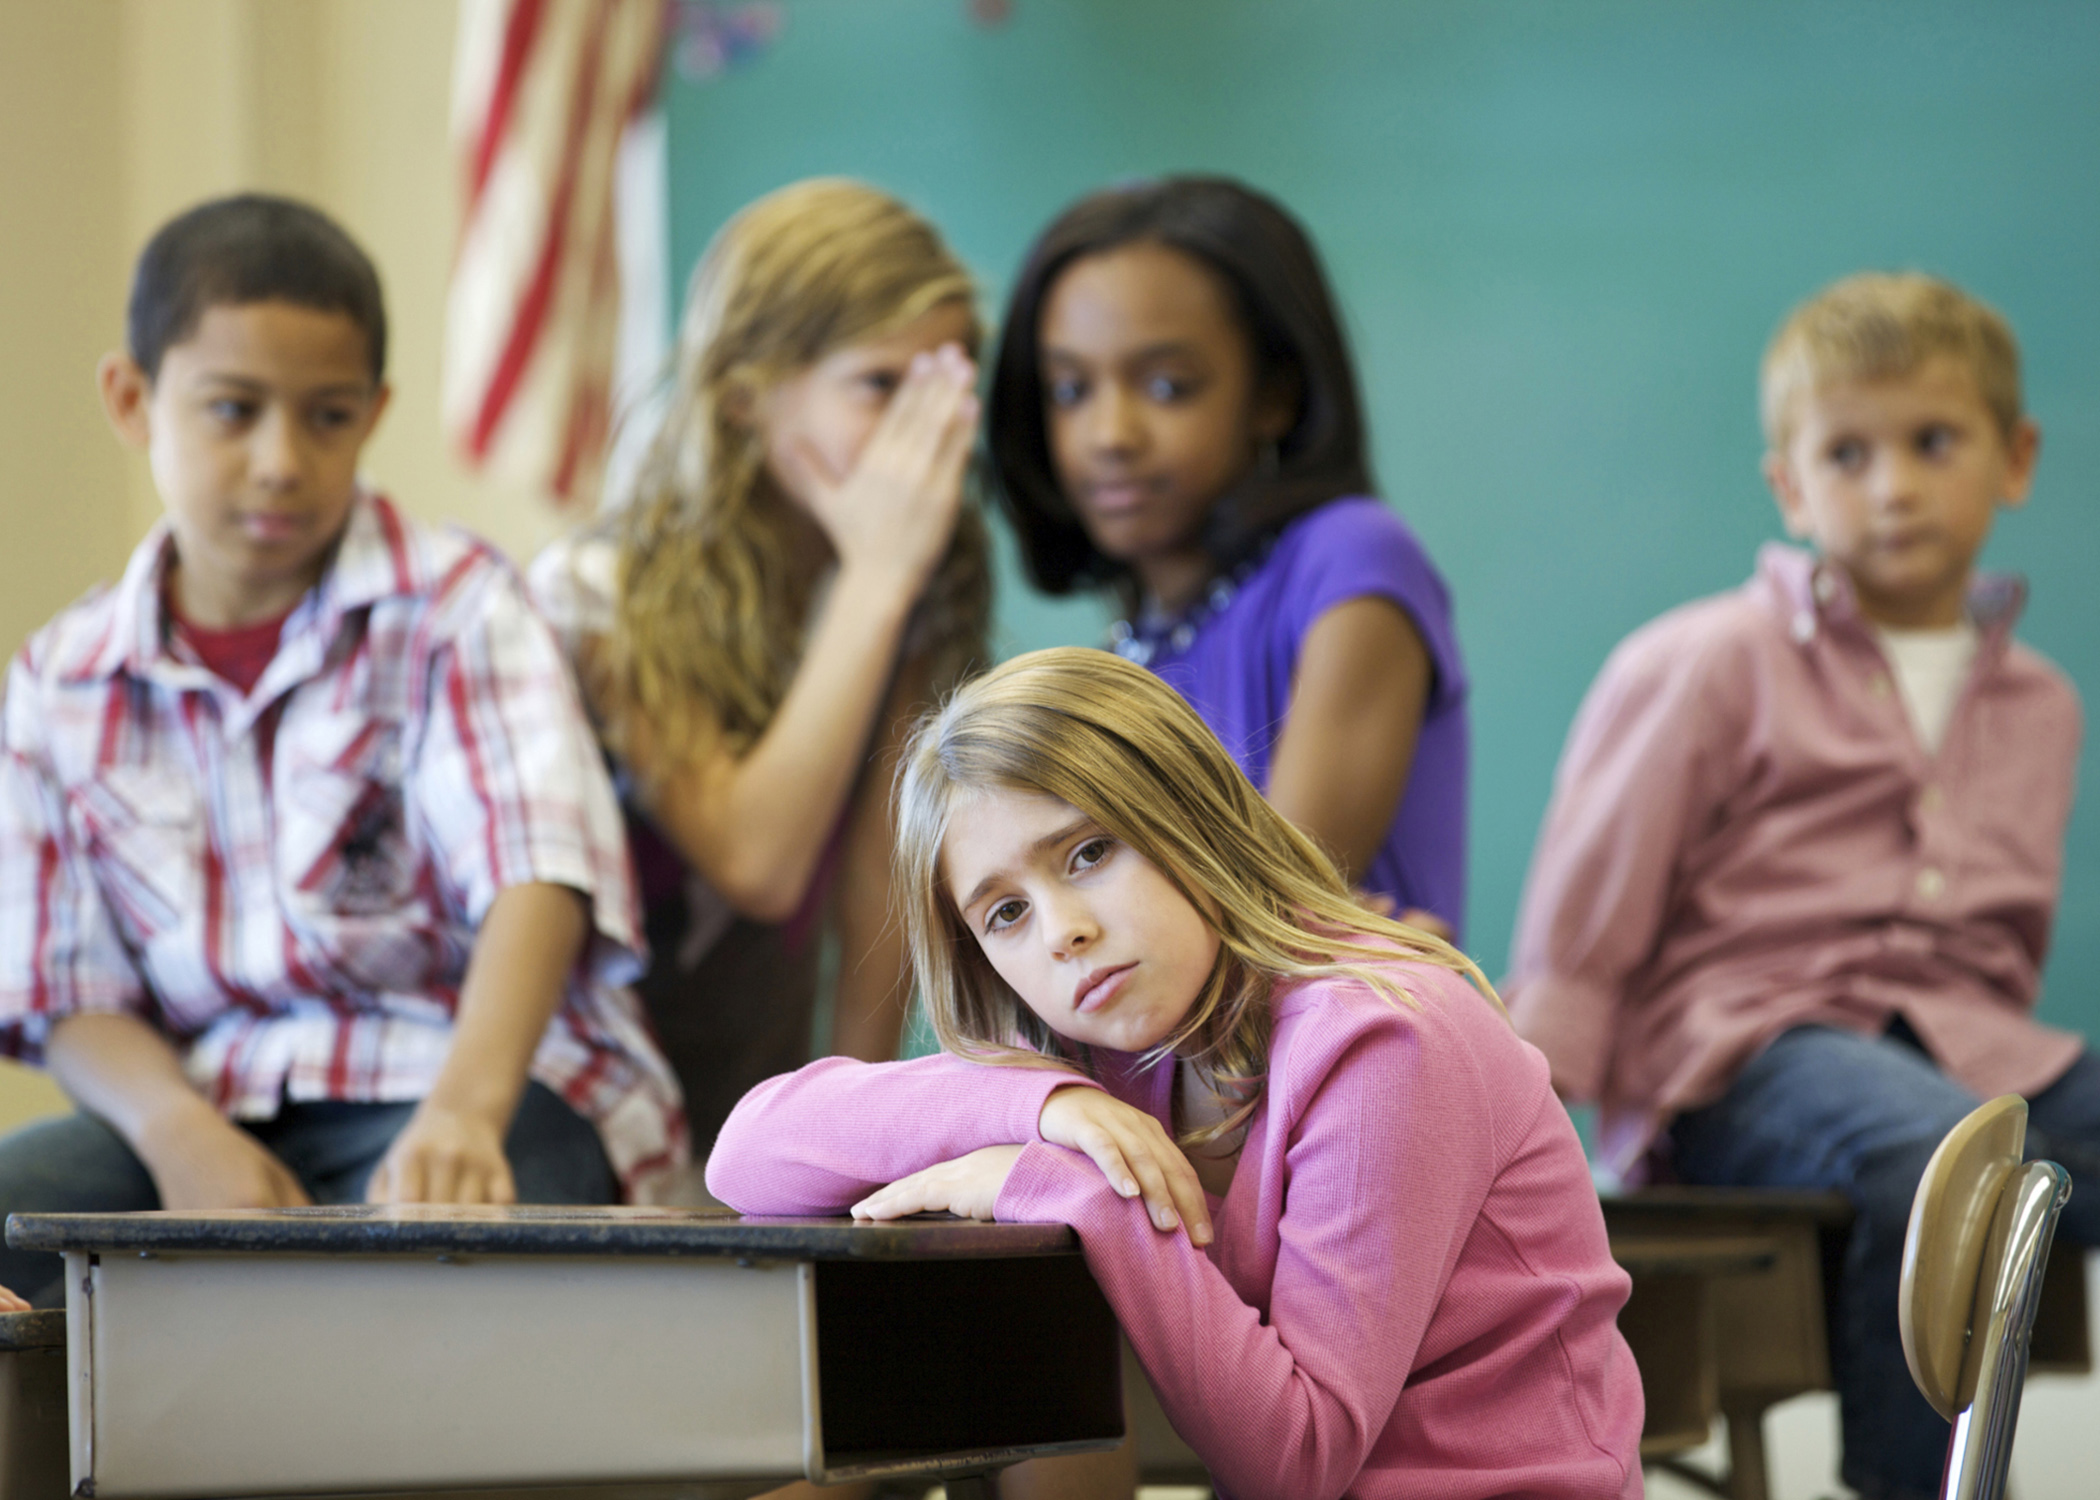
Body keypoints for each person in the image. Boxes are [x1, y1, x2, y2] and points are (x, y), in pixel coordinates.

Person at [708, 647, 1642, 1500]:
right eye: (1004, 914)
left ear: (1188, 815)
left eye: (1089, 852)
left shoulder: (1381, 1037)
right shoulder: (1102, 1063)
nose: (1061, 928)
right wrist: (1038, 1103)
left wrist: (1078, 1191)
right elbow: (745, 1155)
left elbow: (1299, 1460)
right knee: (898, 1377)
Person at [0, 195, 685, 1306]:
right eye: (232, 410)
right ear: (132, 399)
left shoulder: (457, 604)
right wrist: (177, 1133)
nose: (280, 460)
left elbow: (537, 873)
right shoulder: (57, 681)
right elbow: (63, 987)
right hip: (205, 1101)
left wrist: (466, 1108)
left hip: (469, 1075)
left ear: (374, 414)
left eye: (325, 417)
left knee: (490, 1245)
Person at [1504, 271, 2091, 1500]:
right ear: (1790, 483)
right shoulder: (1709, 660)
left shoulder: (2040, 704)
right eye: (1847, 453)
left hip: (1964, 1050)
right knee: (1940, 1152)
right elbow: (1590, 905)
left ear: (2016, 456)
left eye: (1934, 443)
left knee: (1973, 1130)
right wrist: (1532, 1112)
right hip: (1748, 1050)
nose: (1893, 486)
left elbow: (2002, 942)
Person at [530, 179, 989, 1162]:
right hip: (580, 1116)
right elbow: (759, 862)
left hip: (747, 1104)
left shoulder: (903, 593)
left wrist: (852, 1140)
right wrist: (874, 580)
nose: (928, 434)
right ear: (744, 398)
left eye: (946, 386)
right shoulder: (596, 595)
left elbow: (881, 898)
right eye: (879, 385)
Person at [987, 177, 1467, 940]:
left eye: (1166, 386)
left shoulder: (1351, 561)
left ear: (1274, 393)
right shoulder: (1129, 654)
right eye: (1071, 389)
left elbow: (1268, 916)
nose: (1109, 433)